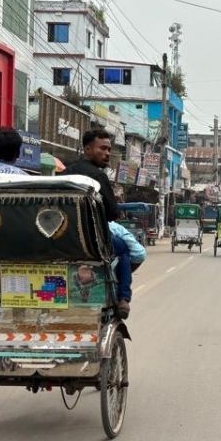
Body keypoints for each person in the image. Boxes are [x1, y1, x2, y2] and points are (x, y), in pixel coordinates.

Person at [62, 130, 132, 318]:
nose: (107, 153)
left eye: (109, 149)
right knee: (123, 248)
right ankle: (123, 298)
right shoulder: (98, 176)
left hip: (64, 239)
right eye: (102, 148)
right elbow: (113, 213)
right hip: (94, 242)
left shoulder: (65, 172)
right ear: (87, 149)